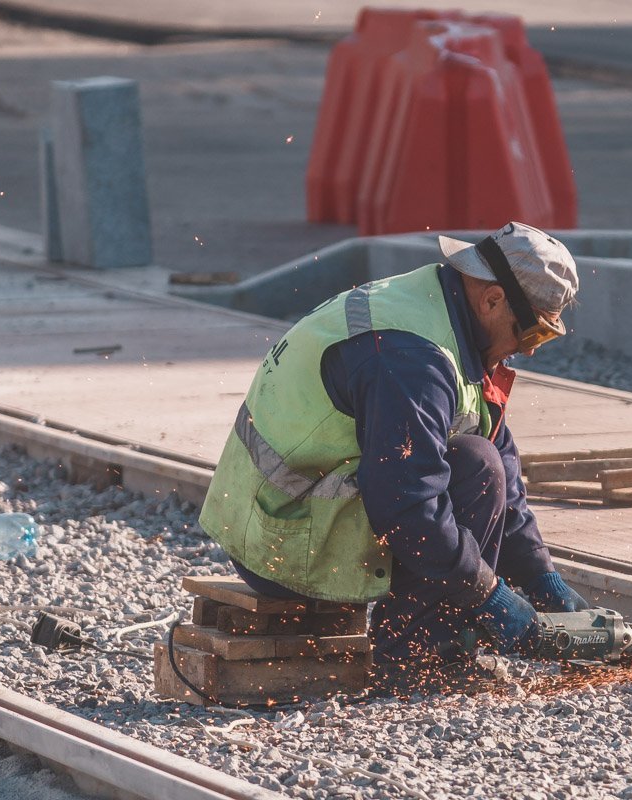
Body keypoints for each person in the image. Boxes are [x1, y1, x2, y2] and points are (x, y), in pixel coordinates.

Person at [197, 221, 589, 695]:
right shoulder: (410, 358)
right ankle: (414, 657)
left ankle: (439, 638)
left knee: (481, 462)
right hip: (282, 543)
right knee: (471, 470)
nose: (528, 350)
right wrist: (489, 594)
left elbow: (501, 461)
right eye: (532, 335)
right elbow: (407, 505)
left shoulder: (443, 316)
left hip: (290, 516)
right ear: (492, 299)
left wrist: (541, 576)